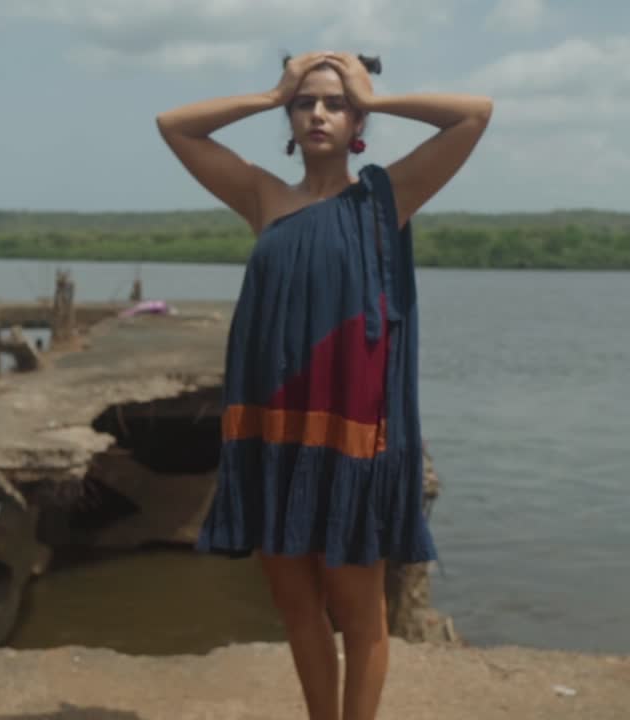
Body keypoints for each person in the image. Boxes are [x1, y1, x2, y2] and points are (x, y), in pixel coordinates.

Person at [155, 51, 493, 720]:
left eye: (335, 104)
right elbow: (174, 126)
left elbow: (473, 116)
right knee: (297, 606)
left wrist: (372, 92)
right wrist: (270, 89)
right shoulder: (264, 197)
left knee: (360, 614)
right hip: (273, 429)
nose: (318, 113)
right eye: (306, 102)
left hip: (351, 437)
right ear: (288, 115)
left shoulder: (385, 197)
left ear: (356, 118)